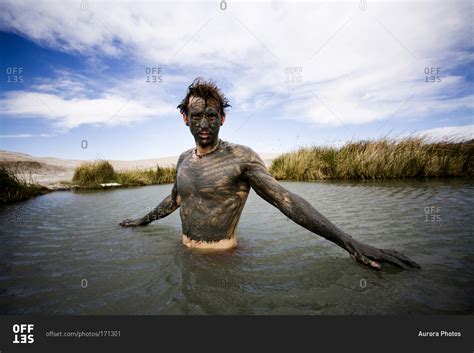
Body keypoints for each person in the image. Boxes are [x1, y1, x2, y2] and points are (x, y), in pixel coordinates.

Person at [120, 78, 420, 270]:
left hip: (222, 260)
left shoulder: (241, 158)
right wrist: (141, 220)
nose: (204, 124)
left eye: (212, 116)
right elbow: (175, 199)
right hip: (183, 255)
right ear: (185, 118)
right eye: (196, 116)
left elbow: (285, 200)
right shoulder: (184, 159)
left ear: (223, 118)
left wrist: (350, 243)